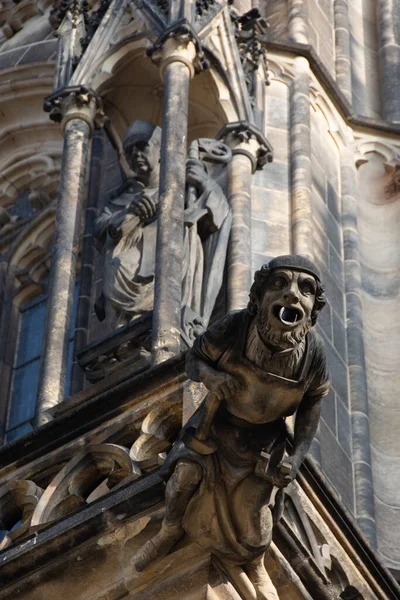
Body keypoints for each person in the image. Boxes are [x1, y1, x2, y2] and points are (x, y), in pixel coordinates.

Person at [133, 255, 330, 600]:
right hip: (217, 426)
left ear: (313, 309)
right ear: (258, 298)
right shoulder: (236, 327)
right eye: (279, 284)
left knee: (257, 517)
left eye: (305, 289)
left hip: (264, 440)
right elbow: (195, 359)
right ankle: (169, 529)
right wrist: (212, 376)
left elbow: (312, 405)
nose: (292, 295)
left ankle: (254, 565)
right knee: (184, 479)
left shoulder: (313, 355)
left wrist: (297, 457)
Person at [95, 121, 231, 334]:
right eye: (129, 150)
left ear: (160, 150)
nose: (135, 154)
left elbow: (220, 213)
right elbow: (101, 229)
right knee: (117, 268)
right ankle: (126, 326)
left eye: (142, 146)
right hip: (136, 255)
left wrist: (204, 182)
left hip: (172, 251)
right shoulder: (123, 197)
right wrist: (130, 212)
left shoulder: (182, 185)